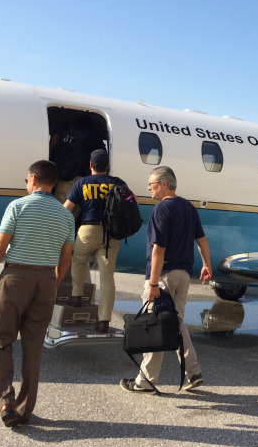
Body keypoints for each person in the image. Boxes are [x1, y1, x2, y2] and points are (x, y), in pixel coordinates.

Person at [0, 160, 75, 428]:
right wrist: (53, 282)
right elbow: (65, 257)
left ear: (32, 179)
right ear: (53, 183)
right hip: (46, 280)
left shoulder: (18, 206)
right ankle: (24, 409)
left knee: (1, 339)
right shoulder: (66, 216)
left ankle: (6, 403)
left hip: (15, 278)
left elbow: (0, 245)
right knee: (33, 347)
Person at [121, 165, 212, 393]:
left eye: (151, 184)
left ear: (163, 184)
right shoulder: (189, 207)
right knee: (176, 324)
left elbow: (158, 249)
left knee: (155, 325)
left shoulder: (162, 209)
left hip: (164, 277)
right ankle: (194, 372)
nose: (149, 188)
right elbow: (202, 241)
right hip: (183, 276)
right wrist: (206, 265)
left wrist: (152, 283)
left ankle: (146, 382)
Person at [63, 149, 132, 333]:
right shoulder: (118, 184)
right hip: (111, 234)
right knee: (107, 277)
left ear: (90, 165)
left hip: (87, 229)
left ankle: (76, 296)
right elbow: (134, 202)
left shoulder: (82, 183)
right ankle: (103, 321)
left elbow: (67, 209)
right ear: (108, 167)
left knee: (78, 260)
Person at [49, 115, 105, 203]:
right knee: (76, 207)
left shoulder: (66, 127)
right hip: (84, 178)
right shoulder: (95, 134)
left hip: (64, 175)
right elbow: (102, 154)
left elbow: (54, 141)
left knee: (60, 206)